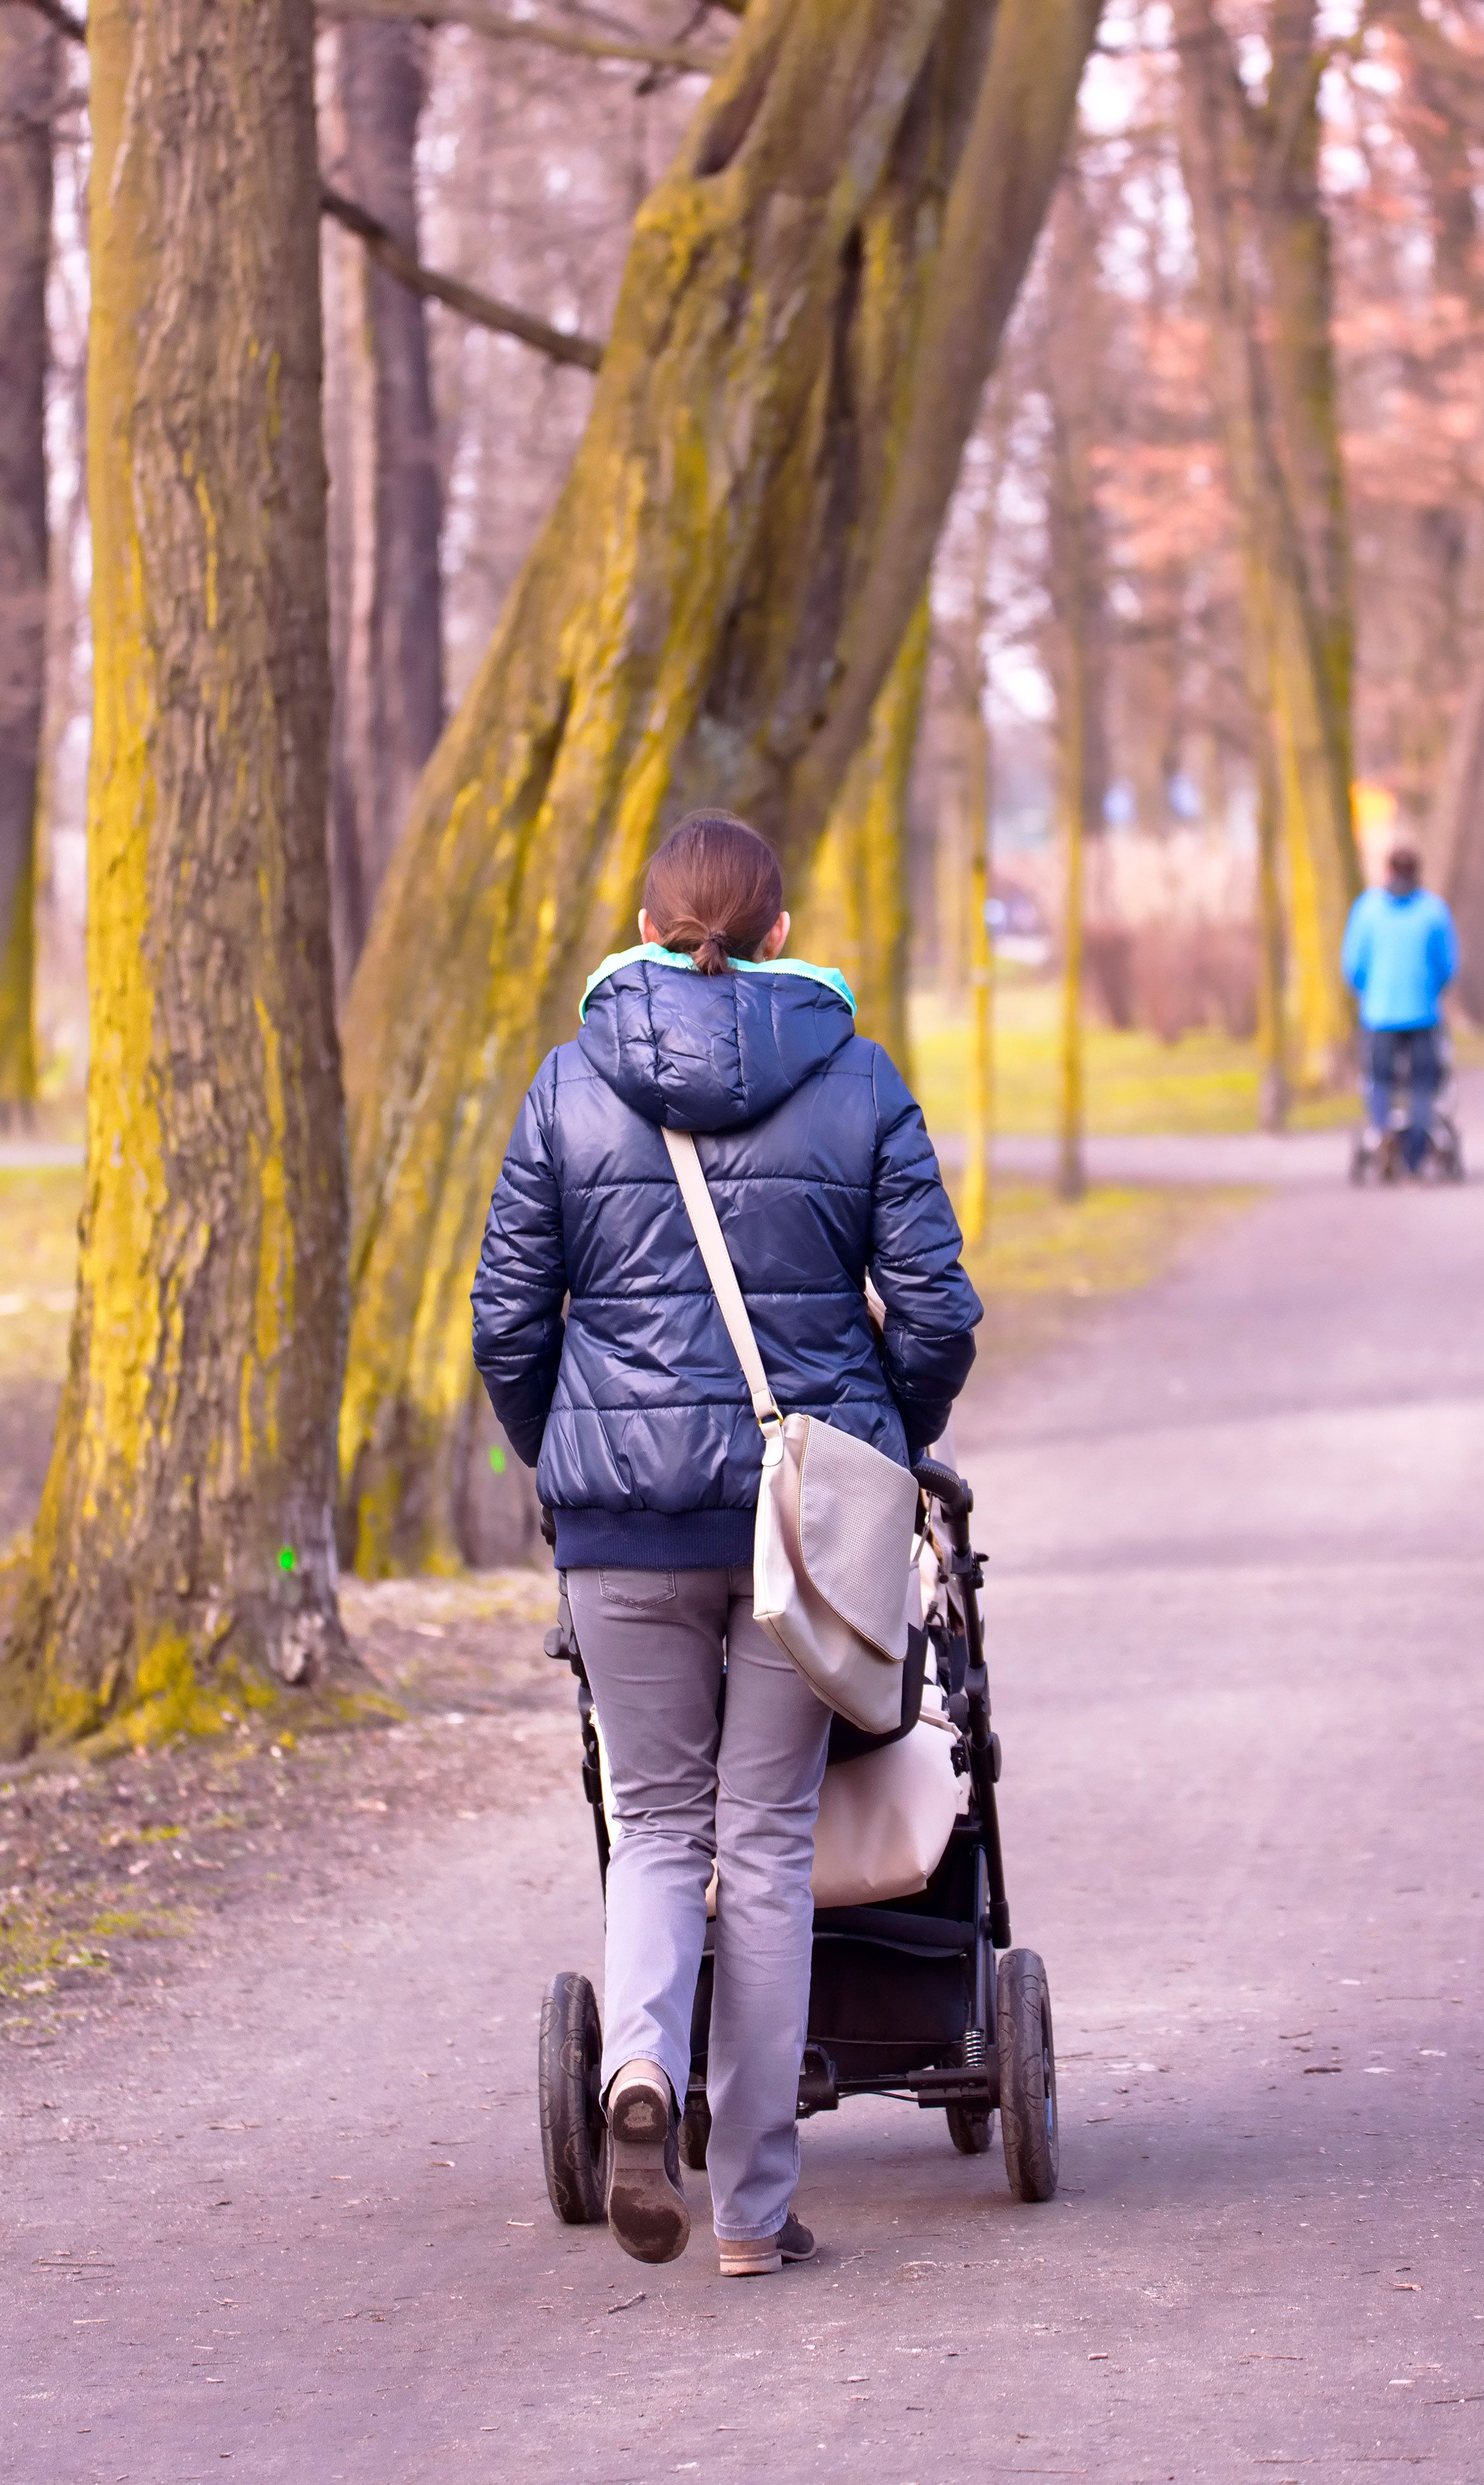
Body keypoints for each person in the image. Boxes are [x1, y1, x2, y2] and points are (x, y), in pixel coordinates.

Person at [470, 810, 981, 2278]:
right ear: (776, 933)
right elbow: (934, 1310)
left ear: (642, 926)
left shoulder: (569, 1088)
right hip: (796, 1521)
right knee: (764, 1846)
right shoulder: (855, 1076)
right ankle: (753, 2216)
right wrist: (881, 1447)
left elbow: (509, 1317)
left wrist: (564, 1462)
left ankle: (642, 2069)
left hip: (621, 1524)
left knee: (655, 1825)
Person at [1341, 843, 1460, 1174]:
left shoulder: (1367, 910)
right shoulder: (1434, 911)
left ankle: (1381, 1134)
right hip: (1423, 1012)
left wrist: (1370, 991)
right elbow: (1448, 966)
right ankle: (1417, 1151)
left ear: (1388, 872)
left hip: (1379, 1014)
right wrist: (1430, 989)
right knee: (1423, 1083)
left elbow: (1353, 966)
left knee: (1380, 1079)